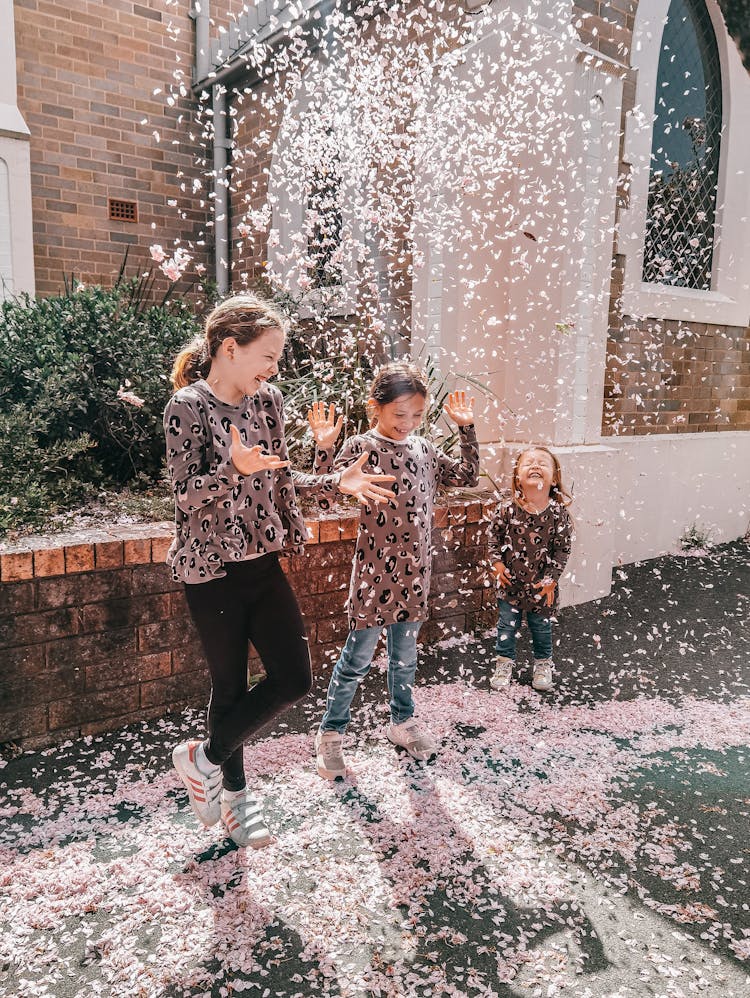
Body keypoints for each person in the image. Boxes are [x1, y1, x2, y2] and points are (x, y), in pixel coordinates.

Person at [164, 294, 395, 848]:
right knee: (231, 687)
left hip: (263, 566)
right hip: (211, 571)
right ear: (229, 348)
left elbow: (280, 480)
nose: (273, 368)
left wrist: (333, 482)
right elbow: (184, 495)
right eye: (267, 355)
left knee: (295, 678)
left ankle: (203, 758)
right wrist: (230, 469)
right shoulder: (186, 406)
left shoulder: (269, 401)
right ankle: (236, 804)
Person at [309, 361, 480, 780]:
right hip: (372, 574)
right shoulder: (362, 447)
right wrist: (325, 447)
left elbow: (467, 476)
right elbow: (322, 498)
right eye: (399, 414)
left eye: (417, 416)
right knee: (356, 660)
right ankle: (330, 735)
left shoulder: (422, 449)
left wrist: (467, 430)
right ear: (376, 408)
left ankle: (402, 724)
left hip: (414, 573)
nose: (408, 424)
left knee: (405, 660)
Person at [488, 446, 573, 692]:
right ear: (517, 477)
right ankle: (504, 663)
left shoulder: (558, 514)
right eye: (529, 463)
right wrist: (497, 564)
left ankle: (543, 664)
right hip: (510, 583)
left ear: (554, 478)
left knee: (541, 627)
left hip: (541, 586)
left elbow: (562, 550)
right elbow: (493, 539)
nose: (535, 466)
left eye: (542, 463)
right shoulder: (506, 509)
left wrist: (552, 579)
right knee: (506, 626)